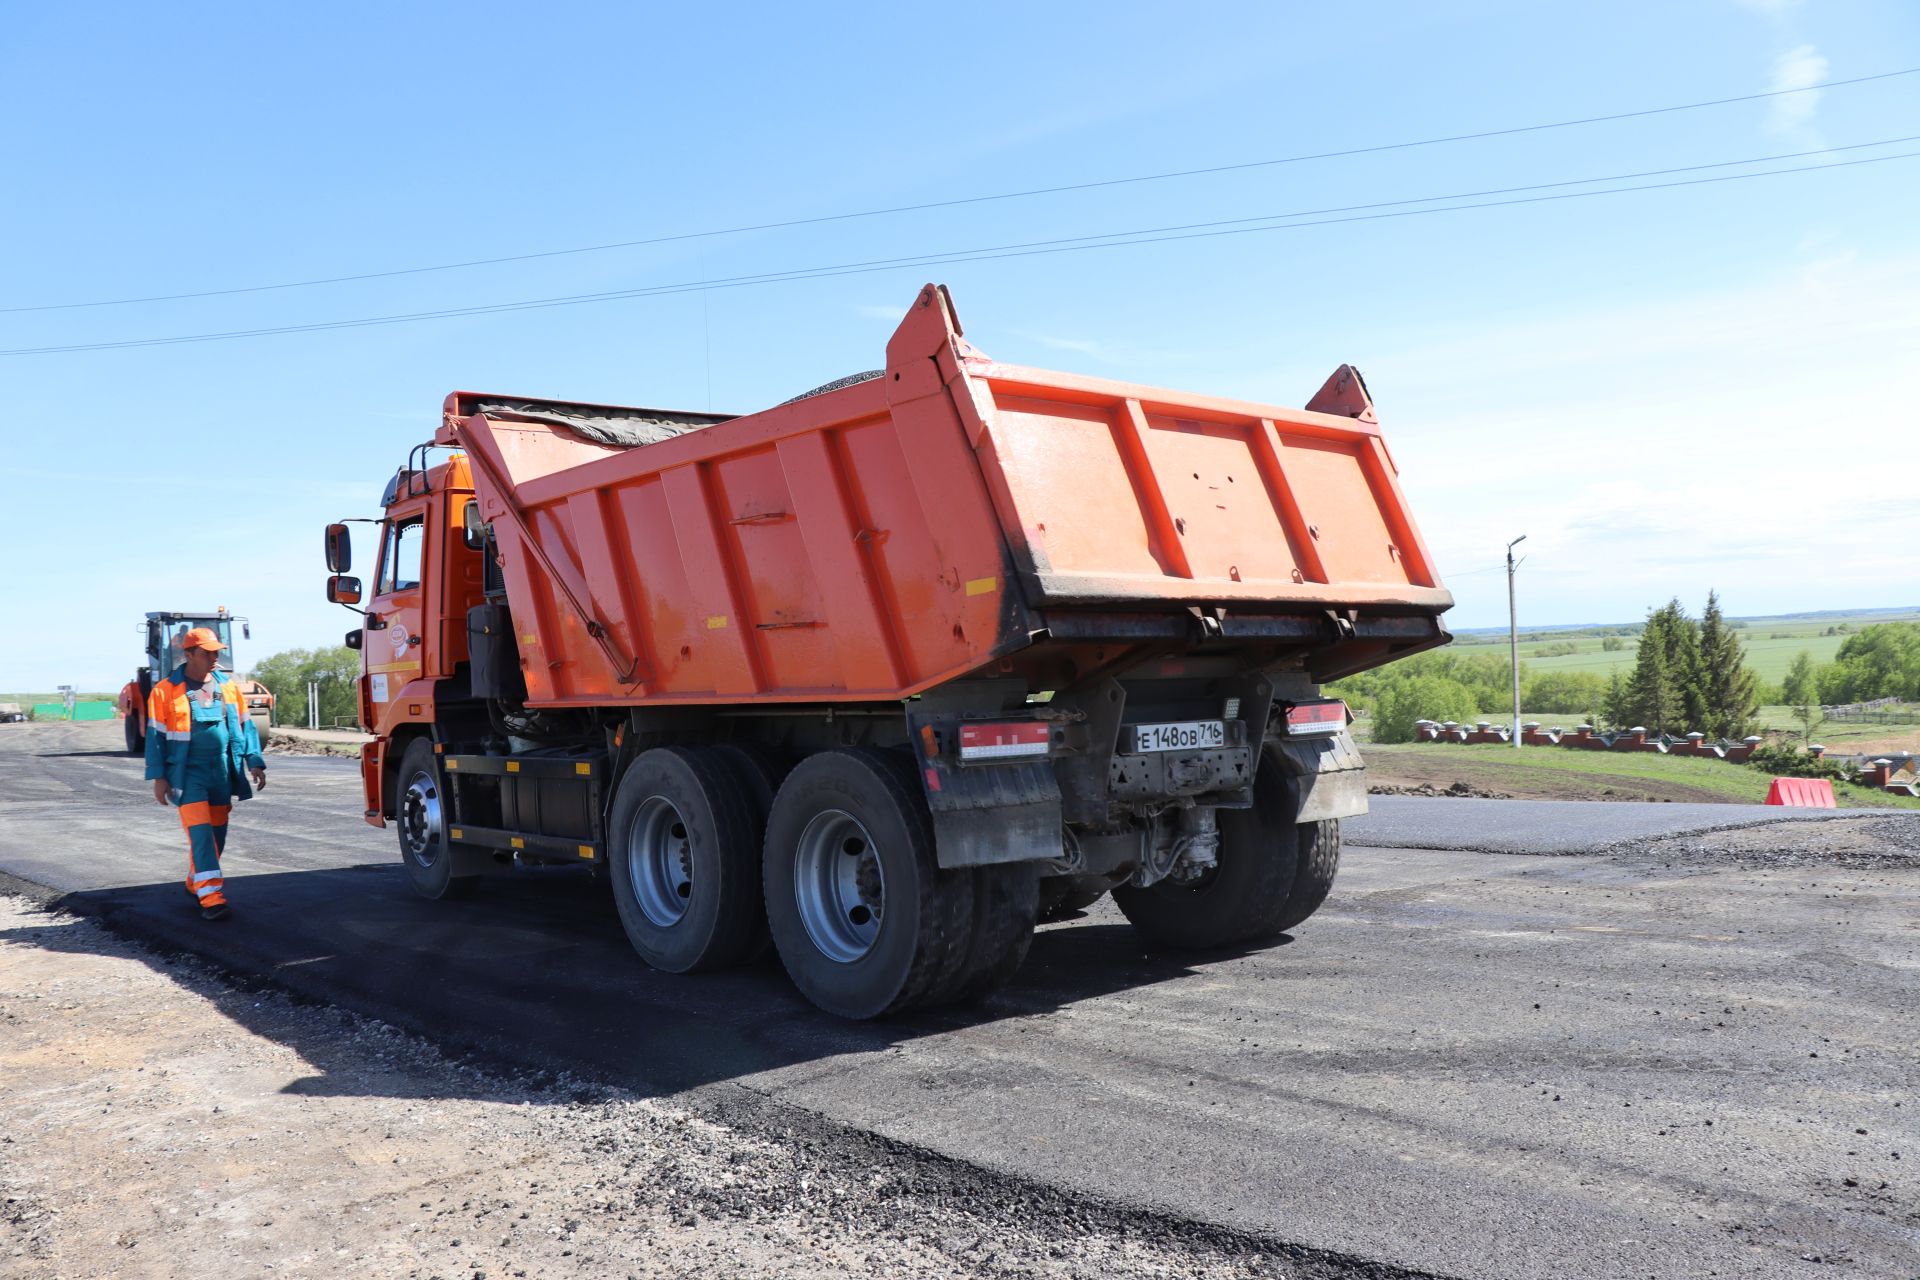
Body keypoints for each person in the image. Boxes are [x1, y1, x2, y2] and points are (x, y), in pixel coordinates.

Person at [144, 627, 268, 920]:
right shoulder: (164, 690)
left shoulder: (228, 687)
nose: (215, 657)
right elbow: (155, 737)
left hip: (222, 771)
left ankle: (196, 881)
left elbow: (245, 726)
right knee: (200, 834)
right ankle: (211, 897)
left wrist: (255, 760)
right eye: (207, 652)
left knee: (217, 835)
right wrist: (159, 777)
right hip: (187, 774)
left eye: (216, 652)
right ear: (188, 655)